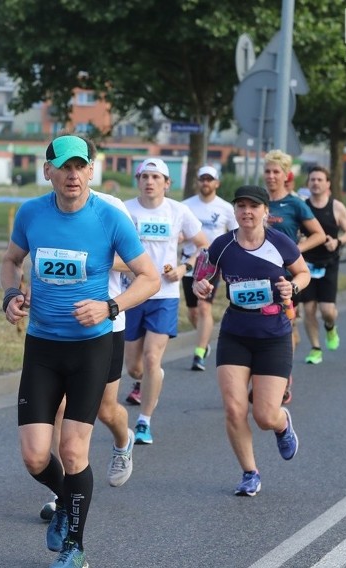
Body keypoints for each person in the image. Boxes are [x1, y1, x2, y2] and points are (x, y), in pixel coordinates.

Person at [2, 134, 159, 568]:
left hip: (90, 347)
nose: (72, 174)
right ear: (47, 170)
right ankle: (64, 496)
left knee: (73, 451)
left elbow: (149, 278)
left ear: (92, 170)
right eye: (64, 166)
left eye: (80, 166)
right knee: (35, 455)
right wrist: (10, 295)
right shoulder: (31, 213)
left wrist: (110, 305)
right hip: (42, 347)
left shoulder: (110, 218)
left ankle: (75, 544)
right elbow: (11, 259)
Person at [191, 185, 309, 497]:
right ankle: (249, 472)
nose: (246, 211)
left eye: (253, 206)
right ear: (234, 211)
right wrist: (200, 287)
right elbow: (203, 274)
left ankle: (282, 424)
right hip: (236, 332)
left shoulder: (279, 242)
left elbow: (303, 273)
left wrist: (292, 288)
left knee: (264, 416)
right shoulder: (222, 245)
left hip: (273, 334)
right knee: (233, 408)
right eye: (241, 205)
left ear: (265, 212)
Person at [123, 158, 208, 445]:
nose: (149, 182)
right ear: (138, 180)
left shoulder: (178, 211)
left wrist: (185, 268)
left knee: (151, 358)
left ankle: (144, 422)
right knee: (134, 368)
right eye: (144, 176)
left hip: (164, 295)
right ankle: (149, 379)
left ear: (167, 183)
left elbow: (203, 245)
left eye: (156, 177)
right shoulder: (123, 210)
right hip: (132, 294)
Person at [262, 150, 325, 402]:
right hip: (256, 275)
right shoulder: (257, 201)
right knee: (262, 327)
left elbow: (318, 234)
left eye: (276, 172)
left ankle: (282, 377)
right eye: (267, 171)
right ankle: (265, 376)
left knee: (285, 327)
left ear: (286, 175)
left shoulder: (296, 203)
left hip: (286, 278)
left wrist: (295, 250)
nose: (271, 176)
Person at [180, 165, 237, 371]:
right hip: (189, 262)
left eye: (209, 179)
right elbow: (177, 233)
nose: (206, 183)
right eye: (202, 179)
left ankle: (199, 353)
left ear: (217, 183)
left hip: (212, 265)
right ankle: (204, 340)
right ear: (197, 181)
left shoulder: (225, 208)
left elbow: (234, 235)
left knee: (204, 307)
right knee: (193, 312)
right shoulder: (185, 206)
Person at [300, 166, 346, 365]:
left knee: (327, 310)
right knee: (308, 310)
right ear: (308, 183)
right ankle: (315, 348)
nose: (315, 183)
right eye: (312, 179)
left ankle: (330, 327)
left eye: (319, 179)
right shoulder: (303, 206)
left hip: (329, 262)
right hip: (306, 263)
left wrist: (338, 242)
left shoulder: (336, 206)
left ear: (327, 184)